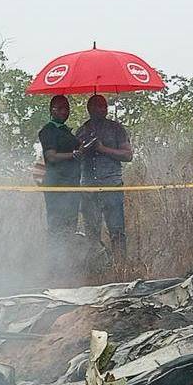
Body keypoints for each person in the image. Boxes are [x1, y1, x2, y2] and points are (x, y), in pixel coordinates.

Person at [75, 94, 133, 266]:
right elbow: (75, 158)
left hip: (111, 186)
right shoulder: (81, 131)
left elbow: (128, 155)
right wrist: (81, 152)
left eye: (104, 106)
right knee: (92, 233)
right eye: (97, 106)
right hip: (88, 188)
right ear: (89, 109)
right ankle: (98, 268)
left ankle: (121, 269)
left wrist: (102, 148)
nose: (102, 109)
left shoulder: (116, 129)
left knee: (117, 230)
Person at [36, 95, 84, 236]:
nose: (64, 111)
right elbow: (51, 156)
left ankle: (67, 250)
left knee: (70, 225)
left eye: (67, 108)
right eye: (60, 108)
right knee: (57, 225)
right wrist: (73, 154)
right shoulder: (48, 130)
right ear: (52, 110)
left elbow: (77, 148)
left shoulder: (65, 131)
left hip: (71, 184)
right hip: (57, 184)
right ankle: (55, 250)